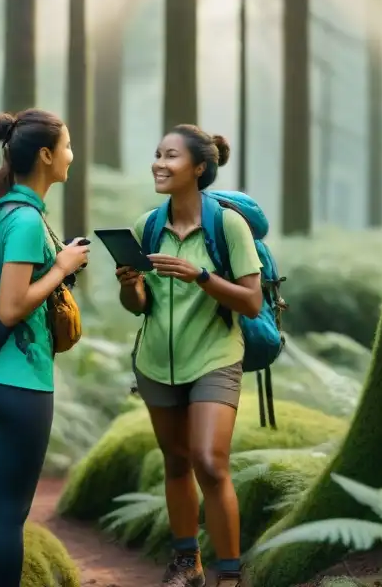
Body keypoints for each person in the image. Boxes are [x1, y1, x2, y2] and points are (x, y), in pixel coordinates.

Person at [116, 125, 263, 587]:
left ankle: (231, 573)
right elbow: (139, 307)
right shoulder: (147, 227)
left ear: (199, 168)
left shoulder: (227, 225)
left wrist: (199, 274)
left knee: (209, 460)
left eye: (171, 156)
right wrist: (130, 287)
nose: (159, 163)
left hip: (214, 356)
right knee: (176, 461)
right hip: (156, 360)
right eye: (157, 154)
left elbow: (251, 301)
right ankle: (187, 563)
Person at [0, 109, 90, 587]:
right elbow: (11, 308)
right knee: (9, 515)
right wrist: (61, 266)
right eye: (67, 146)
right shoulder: (26, 220)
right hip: (20, 384)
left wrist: (57, 266)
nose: (72, 155)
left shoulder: (1, 211)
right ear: (47, 156)